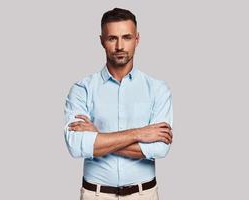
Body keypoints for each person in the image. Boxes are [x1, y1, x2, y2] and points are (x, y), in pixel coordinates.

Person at [64, 7, 173, 200]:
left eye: (127, 37)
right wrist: (139, 134)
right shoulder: (82, 89)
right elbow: (76, 145)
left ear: (137, 39)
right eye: (112, 38)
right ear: (101, 41)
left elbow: (159, 148)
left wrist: (97, 138)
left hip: (144, 195)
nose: (120, 46)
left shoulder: (158, 89)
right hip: (96, 195)